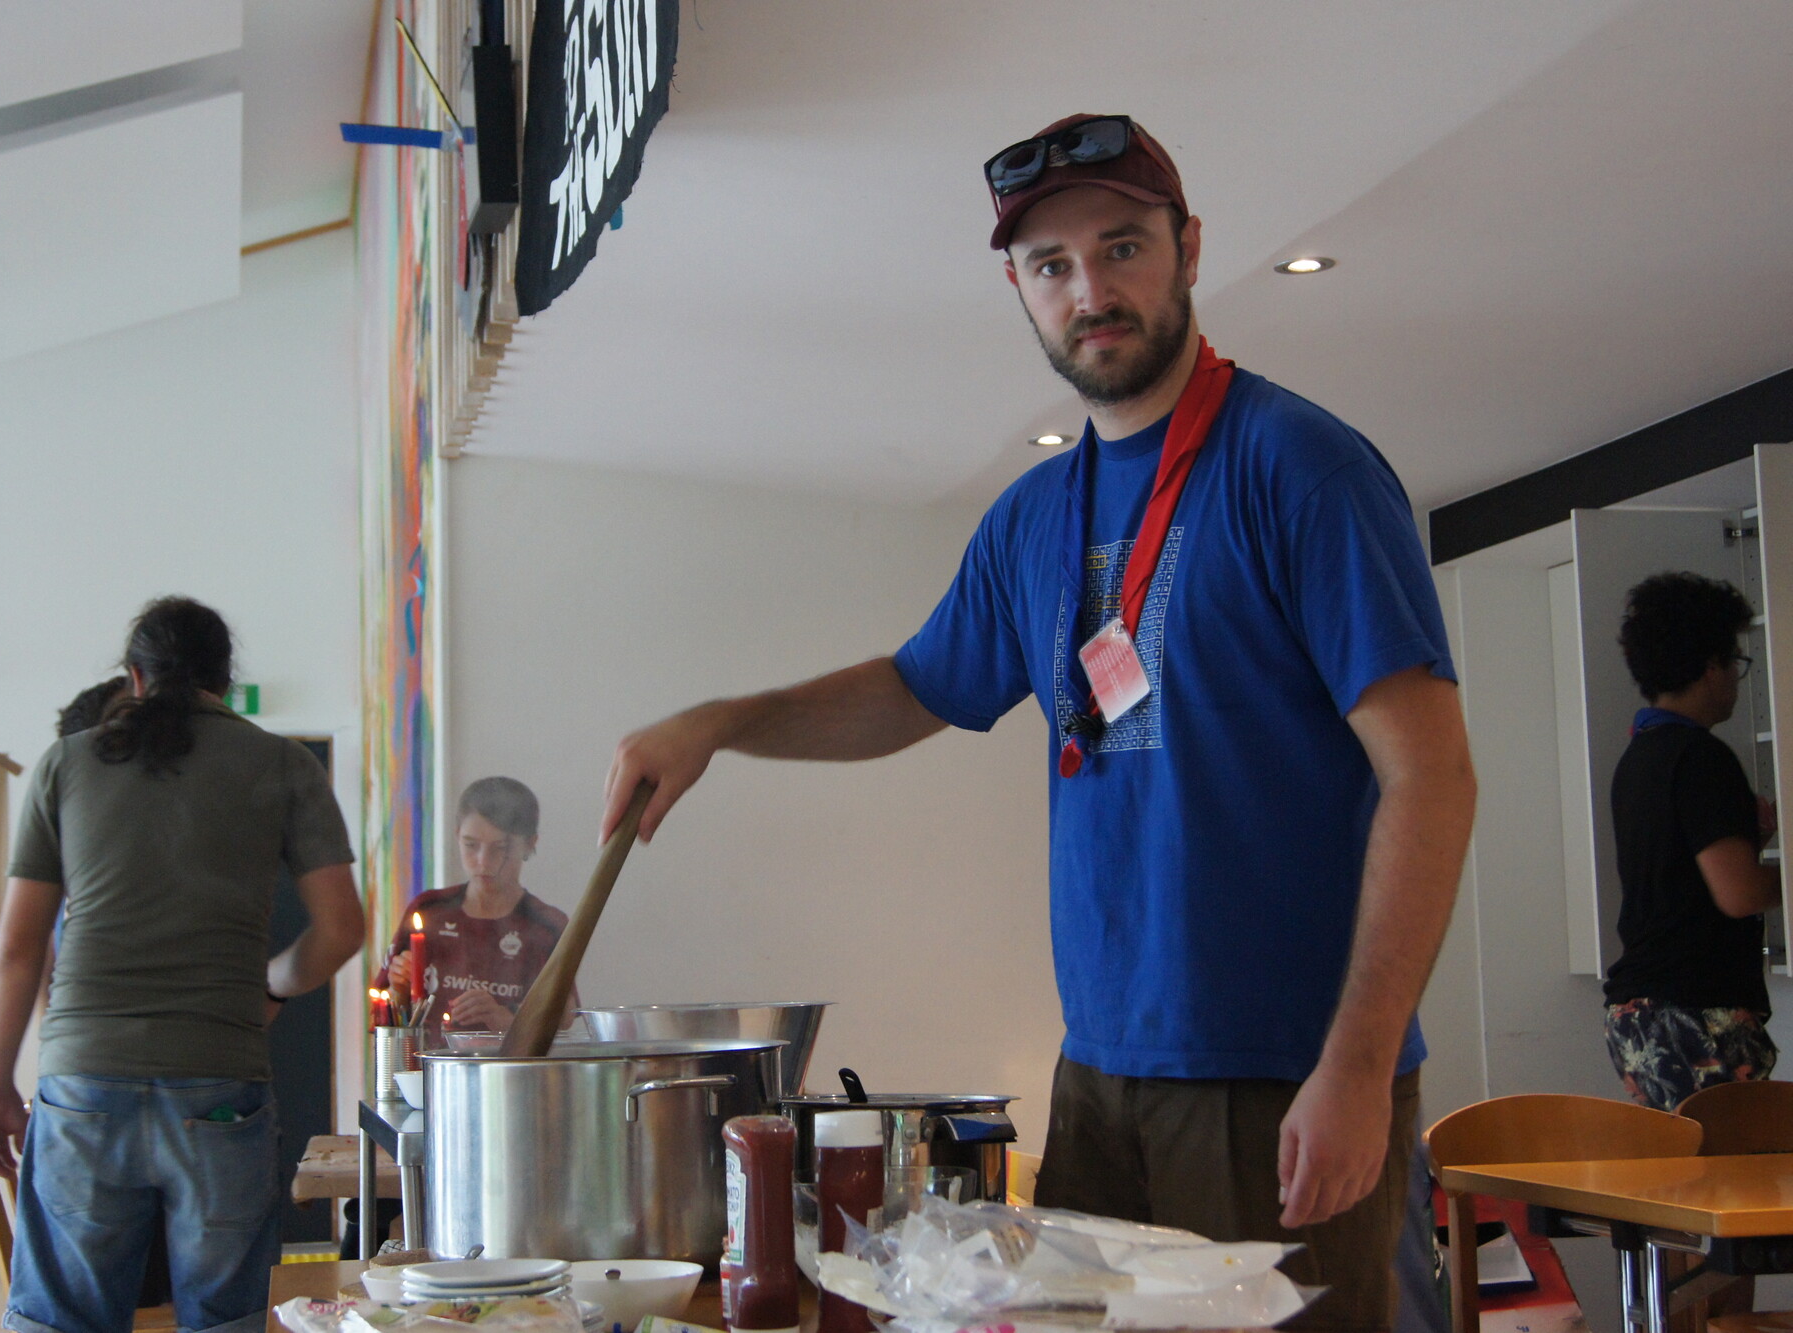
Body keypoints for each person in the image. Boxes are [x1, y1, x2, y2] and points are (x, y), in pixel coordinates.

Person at [602, 114, 1475, 1332]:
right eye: (1050, 265)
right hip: (1099, 1075)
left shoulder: (1299, 470)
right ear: (1016, 287)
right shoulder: (1030, 517)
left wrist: (1359, 1065)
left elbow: (1430, 778)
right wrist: (721, 720)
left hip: (1281, 1075)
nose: (1090, 291)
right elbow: (913, 688)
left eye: (1121, 248)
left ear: (1187, 249)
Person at [0, 597, 364, 1333]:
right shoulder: (283, 765)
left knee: (64, 1319)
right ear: (225, 679)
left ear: (134, 677)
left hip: (85, 1082)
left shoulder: (67, 762)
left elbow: (18, 951)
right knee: (224, 1319)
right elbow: (341, 929)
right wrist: (272, 985)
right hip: (221, 1082)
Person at [1605, 572, 1777, 1110]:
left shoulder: (1639, 757)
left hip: (1638, 1014)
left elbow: (1679, 878)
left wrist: (1748, 838)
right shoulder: (1702, 758)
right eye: (1735, 663)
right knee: (1735, 1161)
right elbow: (1739, 894)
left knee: (1686, 1161)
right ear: (1710, 667)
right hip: (1696, 1012)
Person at [385, 777, 570, 1034]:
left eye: (500, 848)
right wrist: (399, 989)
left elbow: (563, 1018)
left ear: (530, 844)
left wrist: (503, 1019)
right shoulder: (429, 910)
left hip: (508, 1060)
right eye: (471, 845)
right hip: (428, 1059)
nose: (483, 862)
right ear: (457, 835)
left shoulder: (546, 924)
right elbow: (384, 1010)